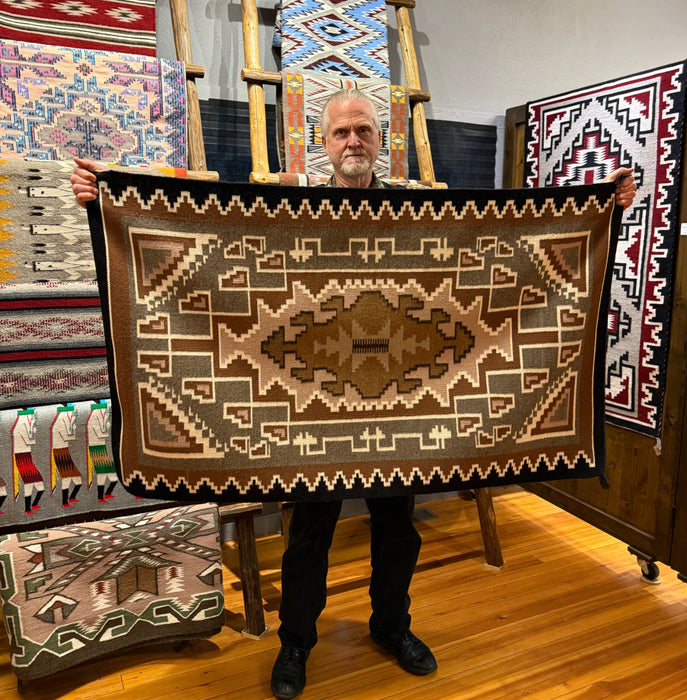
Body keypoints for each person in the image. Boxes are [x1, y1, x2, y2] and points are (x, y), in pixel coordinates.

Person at [70, 89, 637, 700]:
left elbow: (496, 246)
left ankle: (392, 627)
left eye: (363, 131)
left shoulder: (417, 217)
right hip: (314, 419)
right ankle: (296, 643)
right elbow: (202, 237)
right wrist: (110, 198)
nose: (353, 143)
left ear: (381, 142)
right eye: (340, 133)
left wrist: (598, 202)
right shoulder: (285, 214)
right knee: (309, 536)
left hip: (404, 415)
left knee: (399, 531)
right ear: (322, 144)